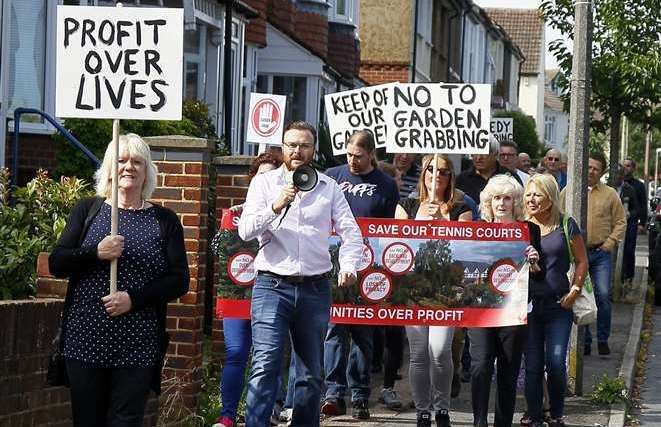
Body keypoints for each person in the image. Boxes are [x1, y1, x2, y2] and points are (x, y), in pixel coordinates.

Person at [49, 133, 190, 426]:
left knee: (127, 420)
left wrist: (133, 299)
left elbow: (179, 280)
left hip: (137, 343)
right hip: (85, 339)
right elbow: (57, 263)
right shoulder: (88, 210)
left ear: (147, 170)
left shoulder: (164, 220)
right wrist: (95, 252)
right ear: (110, 168)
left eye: (137, 162)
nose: (129, 167)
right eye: (122, 161)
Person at [238, 121, 363, 427]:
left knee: (311, 372)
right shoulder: (265, 184)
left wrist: (348, 266)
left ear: (313, 150)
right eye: (291, 144)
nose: (297, 151)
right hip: (272, 285)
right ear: (282, 147)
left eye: (304, 145)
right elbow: (245, 230)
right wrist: (275, 205)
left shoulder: (328, 187)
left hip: (315, 288)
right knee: (266, 364)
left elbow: (352, 233)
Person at [321, 130, 400, 419]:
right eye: (348, 155)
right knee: (334, 330)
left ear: (370, 155)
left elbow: (389, 227)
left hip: (368, 269)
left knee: (363, 334)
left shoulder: (385, 184)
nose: (352, 161)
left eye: (358, 156)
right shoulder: (331, 175)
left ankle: (360, 395)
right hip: (333, 265)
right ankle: (333, 393)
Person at [396, 154, 472, 427]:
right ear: (423, 174)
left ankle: (442, 407)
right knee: (418, 352)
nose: (436, 175)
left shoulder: (461, 208)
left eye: (443, 171)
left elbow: (462, 248)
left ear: (450, 177)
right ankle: (423, 410)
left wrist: (444, 219)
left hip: (446, 290)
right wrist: (418, 219)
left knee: (439, 350)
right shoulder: (406, 205)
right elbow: (396, 245)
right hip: (414, 289)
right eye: (431, 170)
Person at [213, 152, 283, 427]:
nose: (264, 179)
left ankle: (268, 412)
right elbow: (220, 255)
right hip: (237, 296)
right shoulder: (237, 214)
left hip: (272, 293)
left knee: (267, 356)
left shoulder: (287, 211)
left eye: (271, 174)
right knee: (236, 353)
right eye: (259, 174)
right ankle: (227, 415)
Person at [469, 175, 543, 427]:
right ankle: (479, 422)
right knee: (480, 366)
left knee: (508, 372)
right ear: (489, 202)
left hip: (514, 309)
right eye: (496, 198)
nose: (501, 203)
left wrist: (533, 260)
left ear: (515, 202)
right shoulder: (477, 230)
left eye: (507, 198)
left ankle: (503, 423)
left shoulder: (529, 230)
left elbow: (539, 274)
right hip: (480, 309)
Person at [524, 173, 588, 427]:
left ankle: (557, 413)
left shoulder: (566, 224)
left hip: (559, 305)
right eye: (528, 195)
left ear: (550, 198)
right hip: (527, 306)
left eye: (537, 195)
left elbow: (582, 260)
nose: (531, 200)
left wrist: (574, 290)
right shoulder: (520, 226)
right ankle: (534, 414)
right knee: (532, 366)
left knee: (555, 362)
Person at [561, 151, 626, 355]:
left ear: (602, 172)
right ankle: (585, 341)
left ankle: (603, 338)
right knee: (579, 295)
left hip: (599, 253)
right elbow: (558, 216)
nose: (591, 171)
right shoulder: (568, 191)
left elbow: (620, 221)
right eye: (588, 167)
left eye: (595, 168)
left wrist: (609, 243)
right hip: (575, 254)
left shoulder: (610, 194)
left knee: (603, 295)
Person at [456, 137, 523, 204]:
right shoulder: (462, 179)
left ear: (496, 154)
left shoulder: (510, 177)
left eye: (484, 153)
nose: (478, 158)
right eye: (475, 153)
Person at [622, 157, 647, 284]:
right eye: (624, 165)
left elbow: (642, 205)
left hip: (631, 222)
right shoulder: (617, 183)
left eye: (628, 166)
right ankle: (619, 276)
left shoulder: (639, 185)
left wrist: (642, 223)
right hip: (617, 222)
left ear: (633, 168)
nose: (625, 168)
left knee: (629, 249)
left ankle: (629, 277)